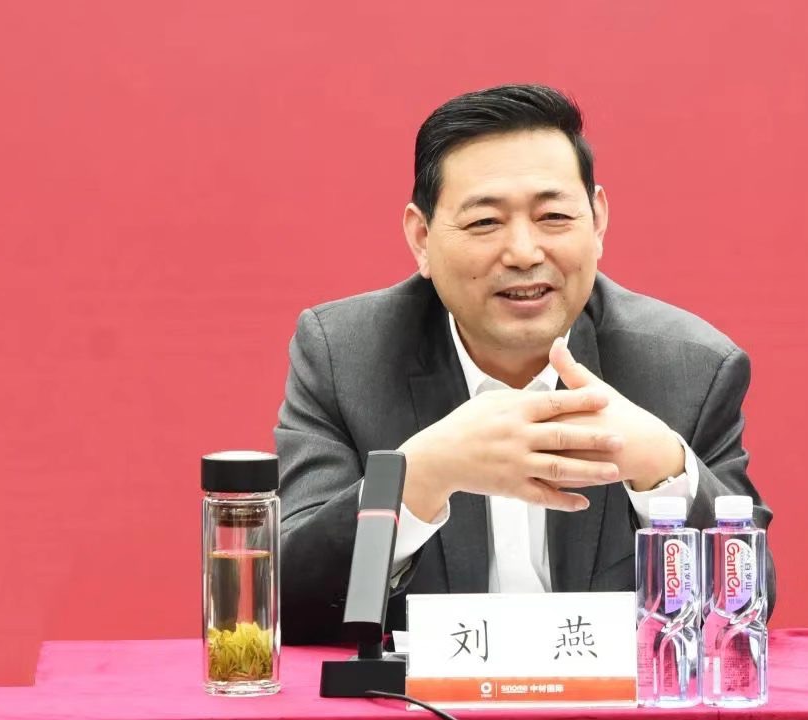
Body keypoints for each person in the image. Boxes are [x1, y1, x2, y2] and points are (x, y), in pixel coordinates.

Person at [275, 84, 775, 644]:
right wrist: (417, 479)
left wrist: (664, 470)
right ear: (421, 238)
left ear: (597, 221)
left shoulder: (688, 368)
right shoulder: (344, 357)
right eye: (485, 223)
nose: (523, 253)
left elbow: (743, 612)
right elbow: (288, 601)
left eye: (553, 216)